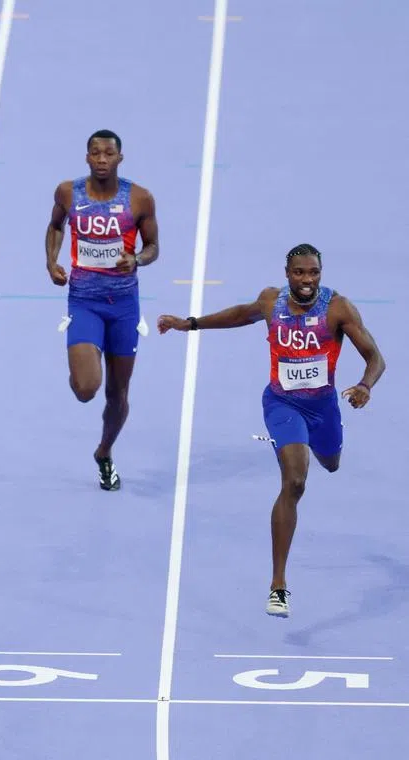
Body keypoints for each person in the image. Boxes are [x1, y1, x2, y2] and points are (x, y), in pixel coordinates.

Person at [157, 243, 385, 618]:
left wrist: (364, 386)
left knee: (331, 462)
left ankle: (319, 445)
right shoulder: (270, 302)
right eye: (300, 273)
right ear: (287, 274)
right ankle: (278, 585)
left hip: (323, 407)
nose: (307, 280)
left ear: (320, 273)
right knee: (295, 481)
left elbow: (375, 357)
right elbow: (239, 315)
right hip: (282, 405)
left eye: (313, 272)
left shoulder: (338, 308)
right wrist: (191, 323)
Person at [44, 129, 160, 490]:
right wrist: (51, 262)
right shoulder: (68, 192)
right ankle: (82, 361)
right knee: (85, 388)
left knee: (117, 395)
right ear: (87, 157)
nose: (102, 159)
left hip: (124, 305)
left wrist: (137, 258)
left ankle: (105, 451)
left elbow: (154, 245)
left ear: (119, 158)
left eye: (109, 154)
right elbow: (55, 226)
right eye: (95, 153)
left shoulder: (139, 198)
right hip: (84, 300)